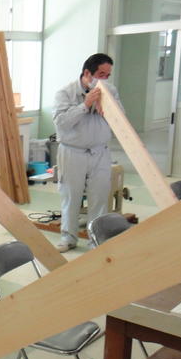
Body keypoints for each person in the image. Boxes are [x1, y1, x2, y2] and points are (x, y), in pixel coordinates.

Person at [53, 53, 123, 253]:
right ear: (87, 73)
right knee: (71, 195)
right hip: (72, 151)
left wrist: (108, 106)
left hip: (100, 151)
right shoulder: (65, 93)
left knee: (99, 196)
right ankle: (68, 237)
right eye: (101, 74)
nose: (104, 79)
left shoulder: (110, 91)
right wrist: (85, 105)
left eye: (107, 75)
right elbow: (61, 123)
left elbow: (120, 119)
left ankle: (96, 240)